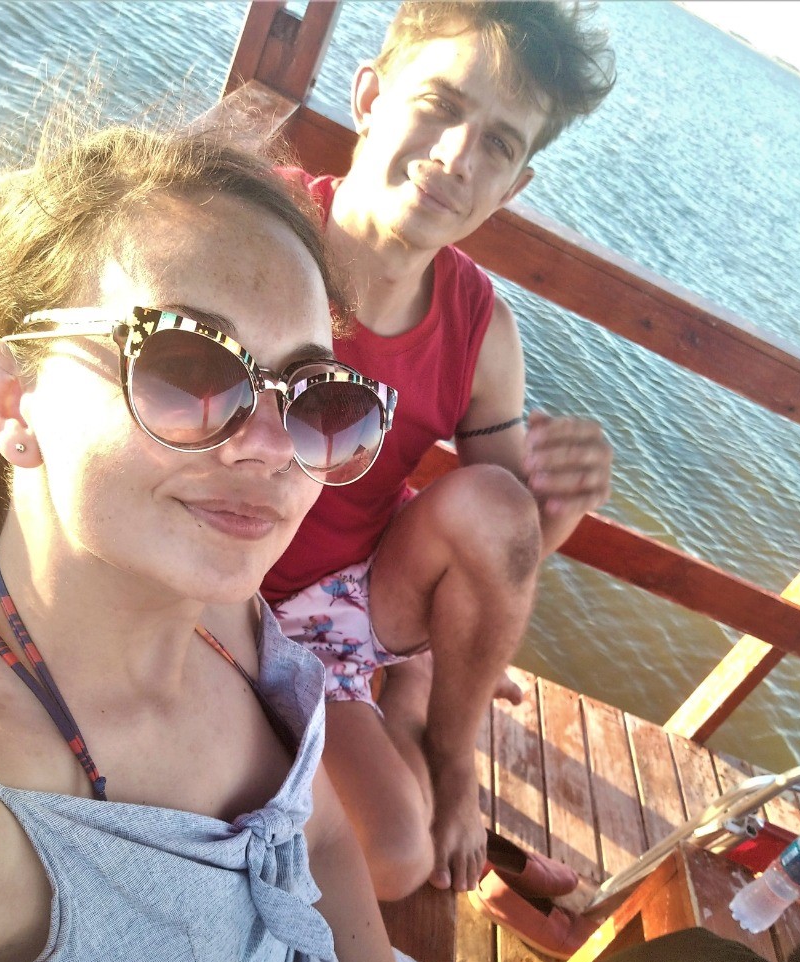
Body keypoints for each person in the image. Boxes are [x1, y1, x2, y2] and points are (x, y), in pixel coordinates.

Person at [0, 116, 800, 962]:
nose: (270, 445)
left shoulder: (228, 617)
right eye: (187, 366)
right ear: (11, 395)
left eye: (313, 396)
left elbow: (325, 836)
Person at [263, 1, 616, 902]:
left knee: (396, 857)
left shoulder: (481, 329)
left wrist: (557, 506)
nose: (459, 157)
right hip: (210, 574)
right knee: (390, 849)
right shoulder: (259, 232)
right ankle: (410, 691)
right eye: (441, 105)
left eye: (497, 143)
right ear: (370, 98)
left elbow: (504, 550)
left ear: (513, 186)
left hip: (341, 607)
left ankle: (448, 748)